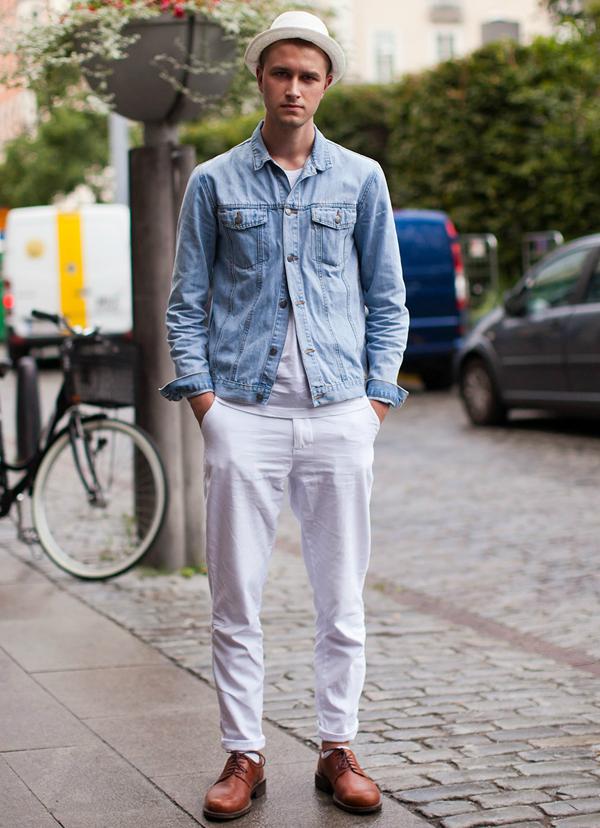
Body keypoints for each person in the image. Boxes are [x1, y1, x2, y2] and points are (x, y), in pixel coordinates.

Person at [160, 10, 409, 820]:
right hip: (244, 413)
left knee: (341, 597)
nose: (294, 88)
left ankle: (338, 748)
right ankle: (245, 753)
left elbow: (388, 300)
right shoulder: (214, 182)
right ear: (260, 80)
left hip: (341, 413)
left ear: (326, 84)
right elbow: (185, 304)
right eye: (281, 73)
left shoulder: (361, 178)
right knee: (237, 596)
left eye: (308, 75)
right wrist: (207, 406)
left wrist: (374, 402)